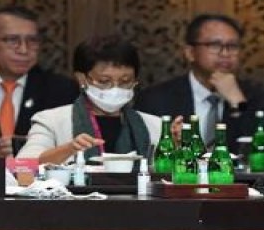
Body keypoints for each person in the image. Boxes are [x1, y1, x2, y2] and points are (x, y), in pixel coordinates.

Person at [18, 35, 174, 166]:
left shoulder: (156, 127)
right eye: (104, 81)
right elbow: (23, 166)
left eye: (125, 81)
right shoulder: (51, 121)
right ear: (82, 79)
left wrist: (178, 146)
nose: (115, 88)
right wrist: (68, 149)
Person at [135, 13, 264, 148]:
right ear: (190, 53)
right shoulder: (155, 99)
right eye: (215, 45)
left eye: (232, 46)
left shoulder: (260, 99)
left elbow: (262, 151)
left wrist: (238, 103)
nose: (225, 53)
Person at [0, 6, 79, 157]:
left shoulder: (61, 89)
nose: (24, 50)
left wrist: (30, 147)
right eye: (12, 40)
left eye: (32, 41)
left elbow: (71, 143)